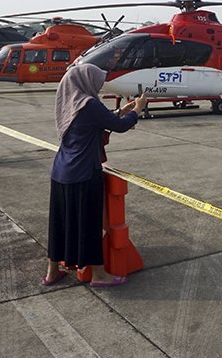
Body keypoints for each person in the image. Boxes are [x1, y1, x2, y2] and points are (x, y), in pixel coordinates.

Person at [43, 64, 148, 287]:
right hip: (83, 173)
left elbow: (98, 122)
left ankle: (52, 272)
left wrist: (122, 111)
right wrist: (138, 110)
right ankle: (99, 275)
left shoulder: (69, 102)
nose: (98, 87)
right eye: (97, 82)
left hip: (61, 171)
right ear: (85, 81)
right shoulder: (89, 104)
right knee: (89, 225)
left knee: (59, 224)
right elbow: (118, 127)